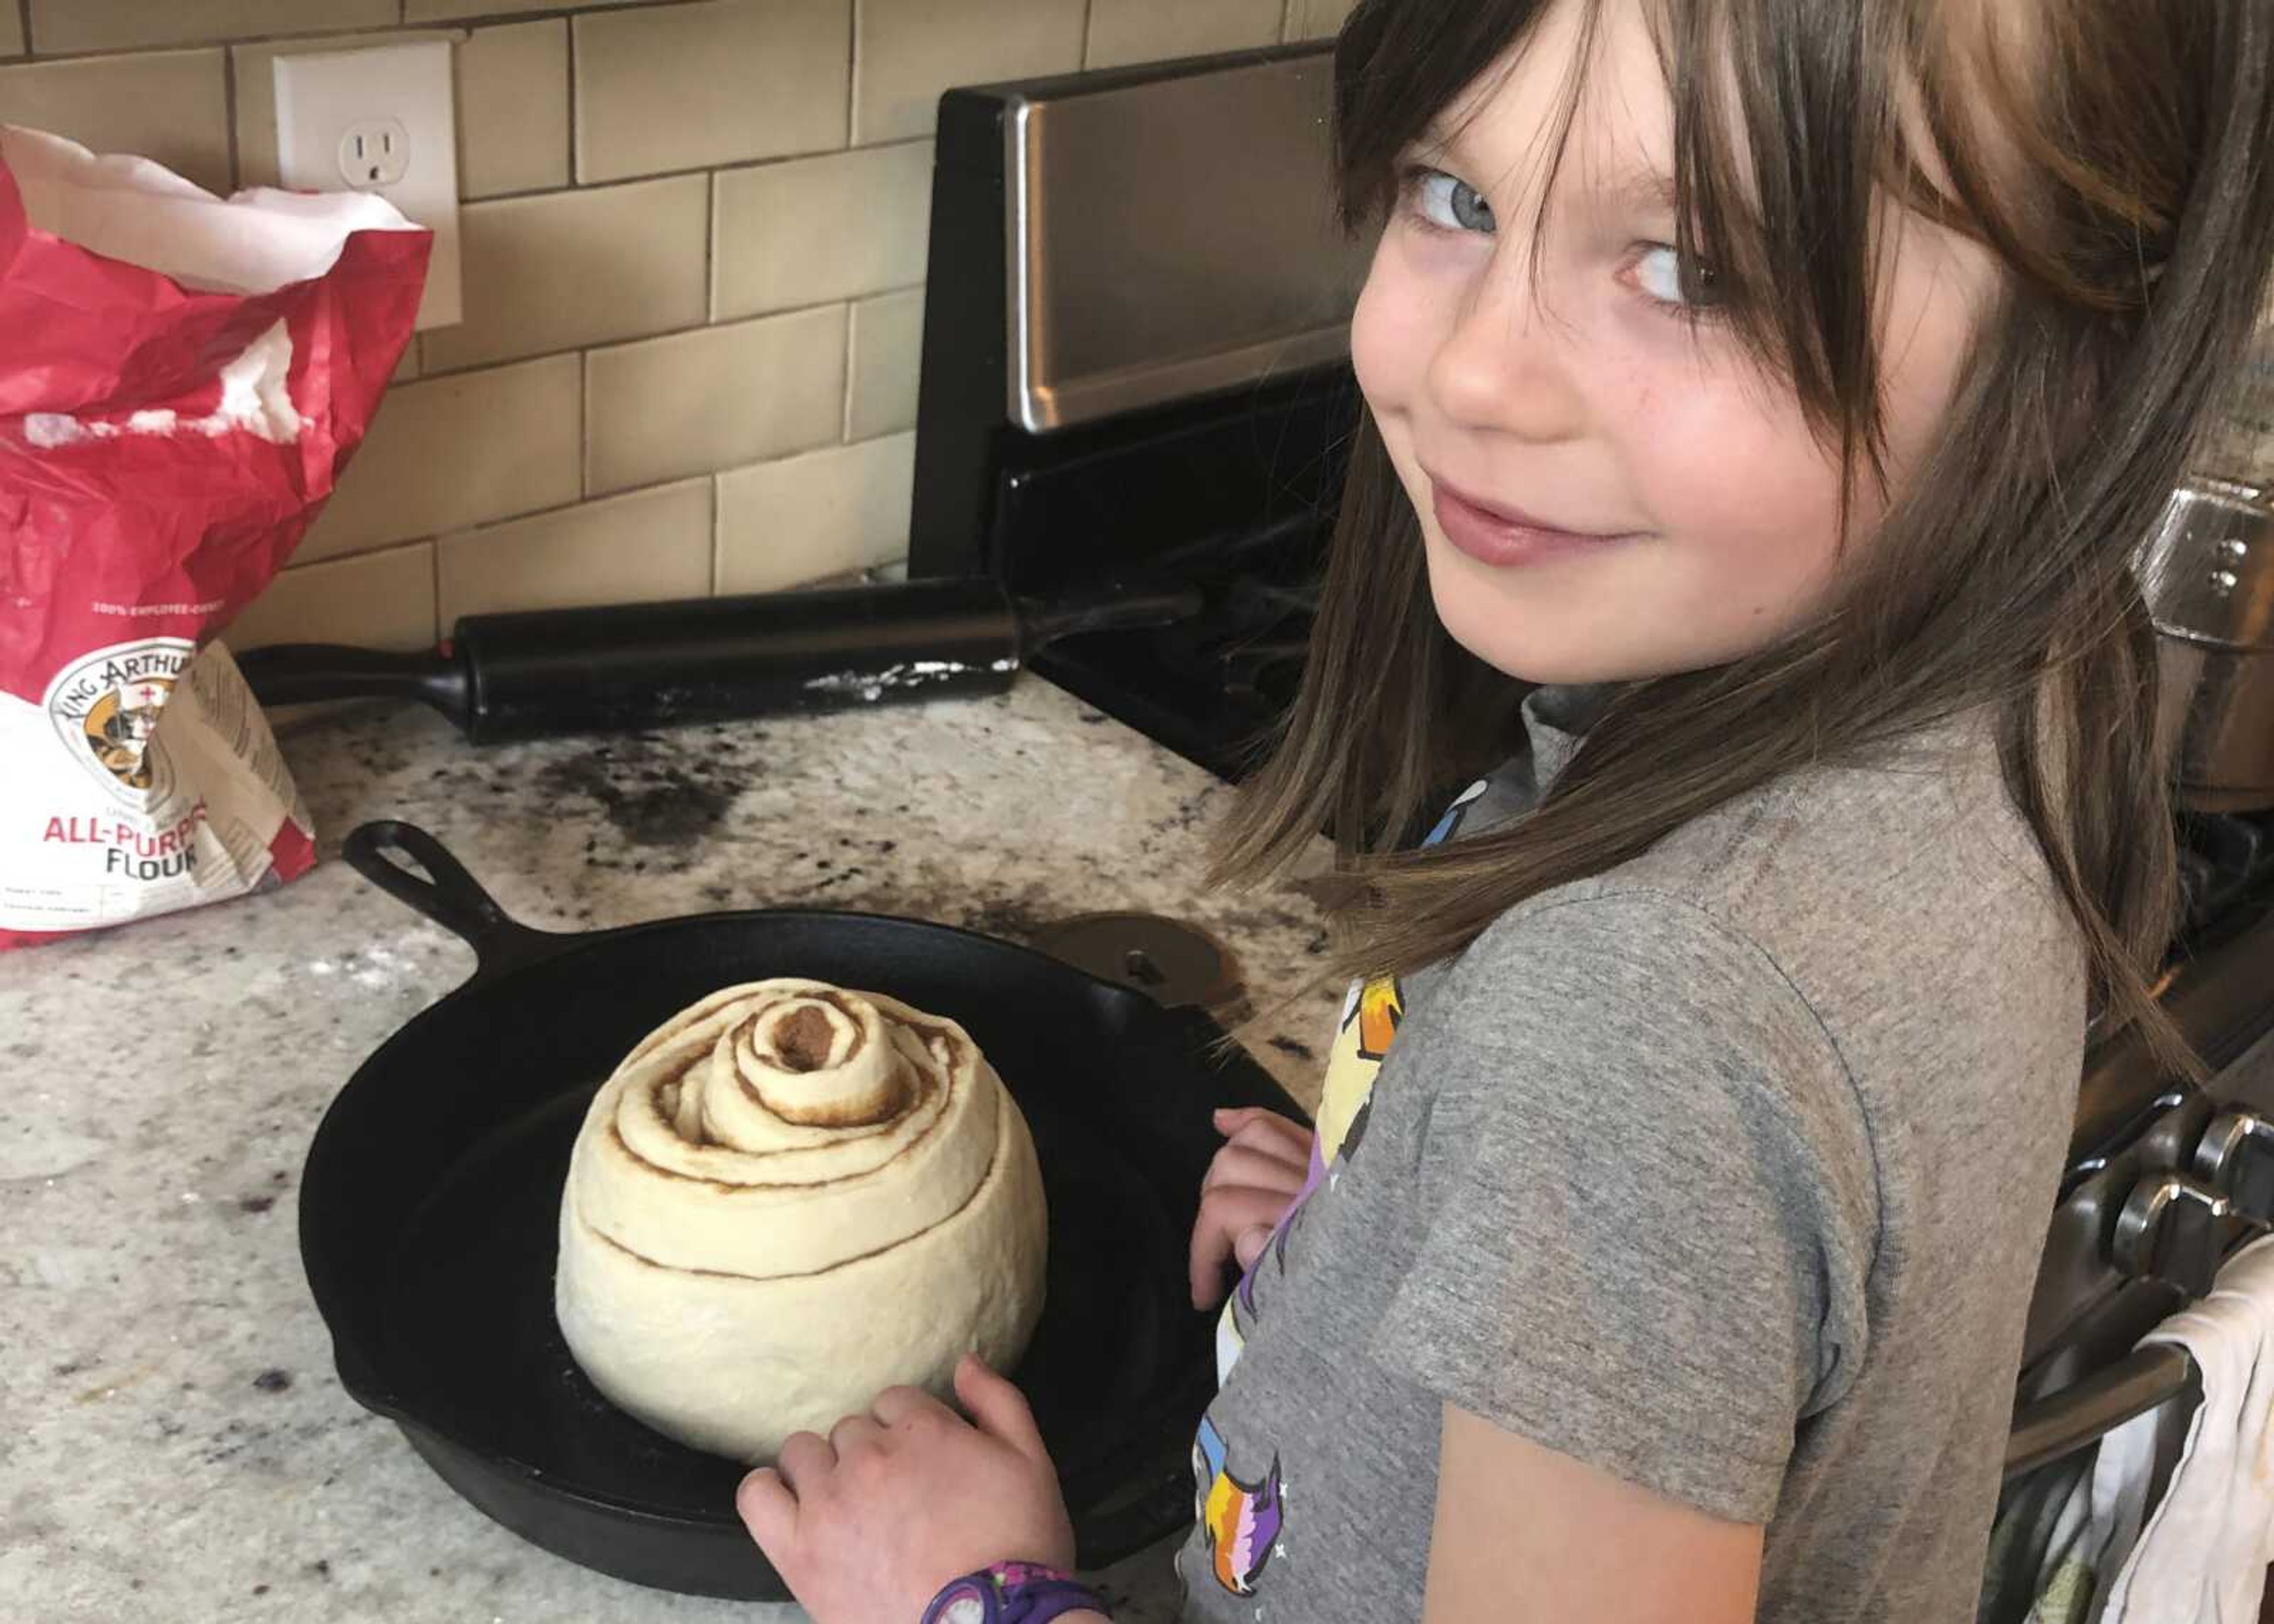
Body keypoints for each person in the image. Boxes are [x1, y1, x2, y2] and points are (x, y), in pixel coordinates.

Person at [734, 0, 2274, 1619]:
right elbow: (1781, 1265)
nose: (1469, 371)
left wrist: (973, 1597)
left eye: (1695, 269)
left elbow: (1669, 1105)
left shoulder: (1643, 1021)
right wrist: (1394, 1212)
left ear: (2080, 360)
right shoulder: (2001, 707)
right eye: (1454, 195)